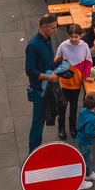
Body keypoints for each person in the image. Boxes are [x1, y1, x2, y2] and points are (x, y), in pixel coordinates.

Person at [25, 12, 61, 153]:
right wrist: (49, 78)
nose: (55, 30)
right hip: (39, 90)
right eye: (53, 28)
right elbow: (30, 70)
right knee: (38, 123)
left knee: (41, 120)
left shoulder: (48, 39)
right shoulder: (33, 46)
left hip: (47, 86)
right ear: (44, 27)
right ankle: (33, 153)